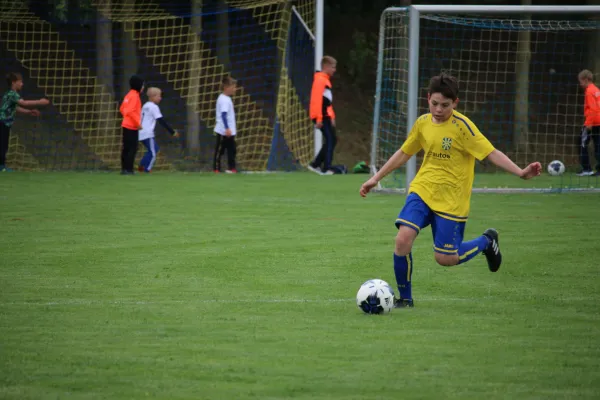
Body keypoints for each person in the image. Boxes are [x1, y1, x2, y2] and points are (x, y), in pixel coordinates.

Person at [359, 73, 541, 308]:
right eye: (434, 103)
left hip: (451, 199)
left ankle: (487, 242)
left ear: (455, 103)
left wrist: (520, 172)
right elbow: (405, 152)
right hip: (422, 190)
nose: (438, 109)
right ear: (428, 99)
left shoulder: (463, 128)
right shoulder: (423, 123)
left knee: (445, 258)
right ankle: (405, 299)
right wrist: (375, 178)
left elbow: (491, 152)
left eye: (445, 105)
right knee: (403, 239)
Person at [0, 72, 49, 172]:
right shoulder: (12, 94)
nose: (22, 84)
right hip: (2, 123)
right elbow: (24, 103)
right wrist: (40, 102)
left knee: (4, 144)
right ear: (14, 83)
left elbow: (15, 108)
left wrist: (29, 112)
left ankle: (2, 166)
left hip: (4, 124)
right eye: (20, 82)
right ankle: (1, 166)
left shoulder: (10, 94)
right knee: (2, 145)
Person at [137, 87, 180, 173]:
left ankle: (142, 166)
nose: (160, 98)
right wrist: (172, 132)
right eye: (158, 96)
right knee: (153, 152)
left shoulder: (145, 105)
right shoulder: (154, 107)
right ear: (152, 96)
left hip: (140, 132)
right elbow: (161, 121)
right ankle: (147, 169)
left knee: (153, 149)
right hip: (147, 133)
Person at [308, 56, 337, 176]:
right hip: (320, 115)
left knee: (332, 139)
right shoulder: (320, 79)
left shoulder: (325, 79)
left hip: (325, 115)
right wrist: (319, 118)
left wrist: (332, 116)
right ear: (326, 66)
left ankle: (315, 164)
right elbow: (317, 100)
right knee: (330, 139)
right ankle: (327, 167)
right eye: (333, 67)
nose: (334, 70)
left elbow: (327, 102)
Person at [576, 69, 600, 177]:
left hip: (593, 123)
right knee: (598, 146)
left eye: (580, 81)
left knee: (581, 142)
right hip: (599, 121)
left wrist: (588, 124)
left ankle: (586, 168)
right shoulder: (596, 89)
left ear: (585, 80)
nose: (580, 84)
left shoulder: (589, 91)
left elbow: (593, 109)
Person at [119, 74, 144, 175]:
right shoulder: (135, 96)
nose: (143, 87)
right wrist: (137, 123)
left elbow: (122, 109)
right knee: (132, 148)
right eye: (142, 85)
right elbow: (130, 111)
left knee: (126, 148)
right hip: (132, 127)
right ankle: (129, 169)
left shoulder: (128, 95)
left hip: (125, 125)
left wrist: (126, 118)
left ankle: (124, 169)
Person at [213, 76, 237, 174]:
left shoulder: (227, 99)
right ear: (226, 87)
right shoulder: (223, 99)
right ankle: (216, 169)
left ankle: (232, 168)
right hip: (223, 131)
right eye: (233, 87)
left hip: (230, 131)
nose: (235, 89)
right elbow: (223, 115)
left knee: (232, 150)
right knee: (220, 150)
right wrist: (227, 128)